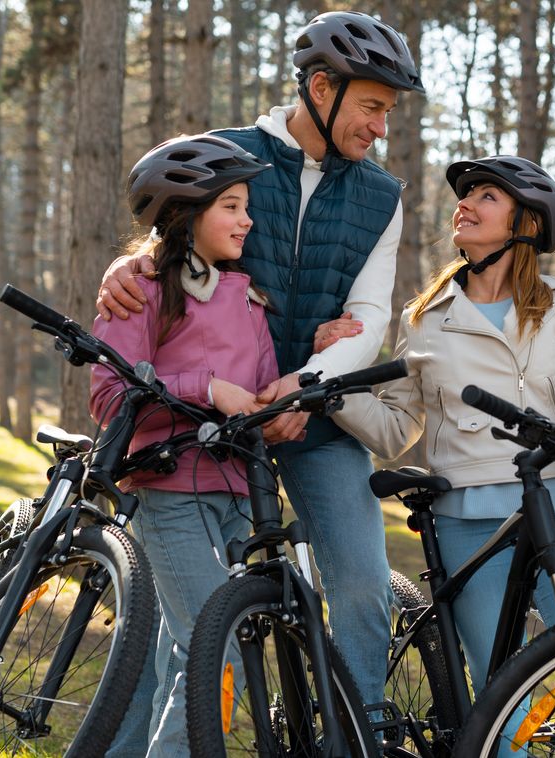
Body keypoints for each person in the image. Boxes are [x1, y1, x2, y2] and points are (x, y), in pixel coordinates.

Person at [96, 11, 426, 738]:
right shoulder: (227, 153)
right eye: (371, 106)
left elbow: (369, 316)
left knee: (365, 588)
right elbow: (164, 235)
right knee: (187, 630)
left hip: (314, 413)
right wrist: (126, 266)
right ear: (319, 87)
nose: (379, 127)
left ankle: (354, 744)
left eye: (387, 112)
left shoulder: (383, 197)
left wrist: (307, 380)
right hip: (204, 424)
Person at [329, 155, 555, 753]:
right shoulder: (425, 316)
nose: (467, 203)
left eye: (487, 196)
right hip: (468, 522)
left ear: (525, 224)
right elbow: (398, 424)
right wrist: (334, 392)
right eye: (467, 194)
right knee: (498, 688)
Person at [90, 133, 277, 756]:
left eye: (245, 205)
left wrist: (287, 401)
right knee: (210, 647)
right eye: (230, 205)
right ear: (186, 212)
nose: (246, 219)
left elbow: (259, 395)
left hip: (240, 499)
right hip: (170, 493)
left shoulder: (249, 299)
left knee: (192, 651)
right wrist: (208, 388)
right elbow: (111, 398)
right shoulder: (139, 289)